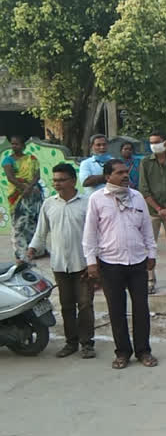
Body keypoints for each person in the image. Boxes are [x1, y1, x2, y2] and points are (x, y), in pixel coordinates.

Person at [82, 159, 158, 370]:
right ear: (108, 177)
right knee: (116, 310)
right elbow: (89, 234)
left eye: (126, 172)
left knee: (141, 309)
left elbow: (146, 229)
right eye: (120, 173)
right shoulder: (97, 199)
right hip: (110, 263)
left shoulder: (137, 197)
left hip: (137, 262)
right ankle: (123, 352)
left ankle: (144, 351)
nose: (125, 175)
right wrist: (91, 263)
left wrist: (151, 254)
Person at [27, 163, 94, 359]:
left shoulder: (87, 203)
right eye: (55, 180)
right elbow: (41, 232)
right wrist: (32, 249)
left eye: (61, 180)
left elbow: (96, 233)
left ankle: (87, 344)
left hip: (82, 263)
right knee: (66, 306)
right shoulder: (49, 204)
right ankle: (70, 342)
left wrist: (94, 262)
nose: (57, 184)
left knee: (84, 305)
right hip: (59, 264)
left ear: (73, 181)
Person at [139, 132, 166, 294]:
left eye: (156, 142)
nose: (153, 145)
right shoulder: (145, 162)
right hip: (151, 211)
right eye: (151, 142)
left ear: (165, 143)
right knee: (150, 246)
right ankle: (150, 280)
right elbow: (143, 189)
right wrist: (159, 209)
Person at [2, 135, 43, 263]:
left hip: (33, 193)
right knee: (18, 223)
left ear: (23, 145)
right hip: (16, 195)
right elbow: (10, 177)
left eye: (17, 144)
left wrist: (29, 187)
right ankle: (20, 252)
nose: (14, 146)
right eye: (13, 144)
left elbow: (37, 175)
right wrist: (23, 188)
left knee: (33, 221)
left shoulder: (32, 159)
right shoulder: (7, 160)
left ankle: (35, 250)